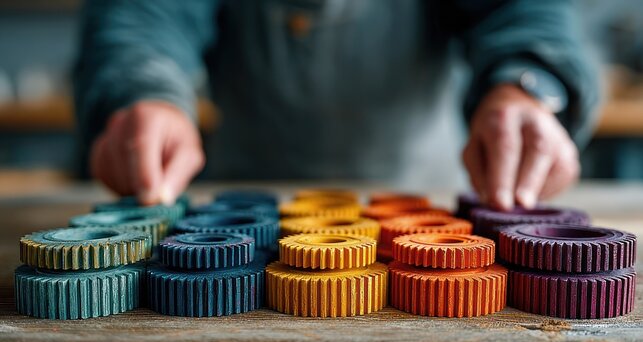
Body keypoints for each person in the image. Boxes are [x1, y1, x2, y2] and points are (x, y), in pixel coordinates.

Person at [74, 0, 599, 210]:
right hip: (238, 202)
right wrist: (143, 93)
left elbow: (527, 9)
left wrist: (528, 84)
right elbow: (142, 16)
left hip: (425, 199)